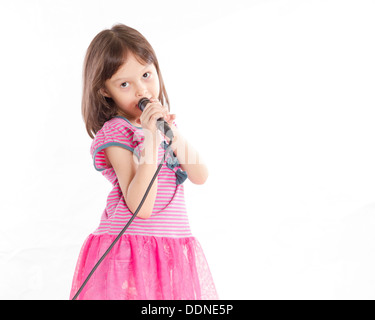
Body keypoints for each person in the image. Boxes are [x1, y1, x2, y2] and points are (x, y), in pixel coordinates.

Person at [69, 23, 218, 300]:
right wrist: (151, 139)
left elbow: (200, 174)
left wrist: (169, 133)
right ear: (104, 91)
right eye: (124, 84)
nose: (142, 90)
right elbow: (141, 207)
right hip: (130, 250)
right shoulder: (116, 132)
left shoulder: (160, 127)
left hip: (170, 245)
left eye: (147, 75)